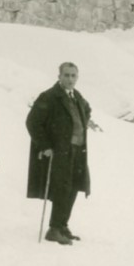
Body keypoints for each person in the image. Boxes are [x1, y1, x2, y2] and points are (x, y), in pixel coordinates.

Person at [25, 62, 98, 246]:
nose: (70, 79)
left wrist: (79, 125)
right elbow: (33, 122)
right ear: (59, 76)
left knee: (73, 187)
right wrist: (45, 145)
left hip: (77, 150)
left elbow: (87, 110)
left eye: (73, 75)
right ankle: (54, 229)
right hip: (59, 151)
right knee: (62, 188)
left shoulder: (77, 96)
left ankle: (63, 225)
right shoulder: (49, 96)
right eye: (66, 75)